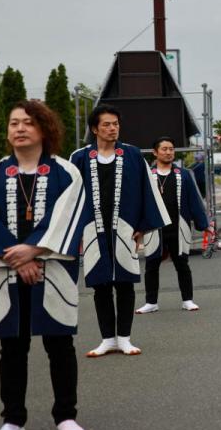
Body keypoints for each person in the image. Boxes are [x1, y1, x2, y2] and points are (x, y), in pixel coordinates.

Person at [0, 101, 88, 430]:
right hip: (5, 269)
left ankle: (66, 416)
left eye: (28, 122)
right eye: (14, 123)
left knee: (59, 343)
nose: (19, 129)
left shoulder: (65, 172)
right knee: (11, 347)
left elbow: (68, 216)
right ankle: (13, 420)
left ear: (43, 128)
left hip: (53, 267)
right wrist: (17, 257)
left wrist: (34, 250)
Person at [70, 104, 169, 358]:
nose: (112, 128)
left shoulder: (133, 154)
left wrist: (143, 227)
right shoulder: (80, 158)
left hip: (125, 229)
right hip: (93, 230)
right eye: (106, 124)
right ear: (95, 128)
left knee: (125, 283)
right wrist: (75, 231)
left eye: (115, 124)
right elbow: (69, 197)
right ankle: (107, 339)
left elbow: (148, 190)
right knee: (100, 285)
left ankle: (124, 338)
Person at [136, 137, 210, 314]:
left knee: (182, 264)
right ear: (155, 152)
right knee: (151, 265)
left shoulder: (183, 174)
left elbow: (194, 200)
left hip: (179, 226)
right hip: (155, 228)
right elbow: (139, 202)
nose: (168, 152)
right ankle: (151, 302)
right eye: (164, 149)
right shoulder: (147, 175)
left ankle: (188, 300)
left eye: (171, 149)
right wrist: (137, 227)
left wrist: (203, 223)